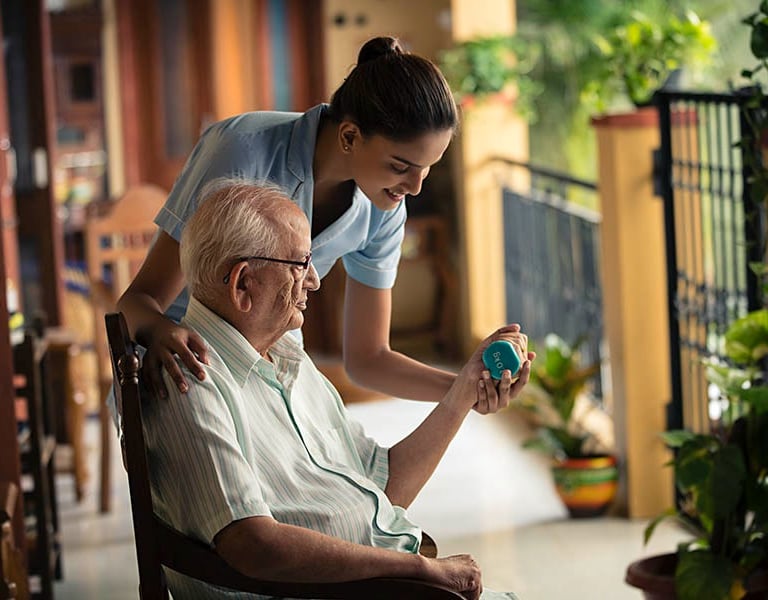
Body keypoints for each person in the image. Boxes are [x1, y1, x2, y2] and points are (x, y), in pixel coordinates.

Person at [142, 180, 530, 599]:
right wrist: (418, 569)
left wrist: (464, 392)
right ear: (243, 284)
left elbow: (382, 487)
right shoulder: (190, 380)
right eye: (299, 263)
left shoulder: (286, 354)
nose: (314, 281)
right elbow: (253, 547)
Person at [117, 35, 520, 411]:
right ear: (349, 136)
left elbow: (368, 359)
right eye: (401, 166)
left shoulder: (383, 210)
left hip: (272, 373)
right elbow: (137, 303)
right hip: (180, 370)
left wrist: (468, 386)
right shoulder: (241, 150)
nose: (414, 187)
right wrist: (157, 331)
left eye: (427, 169)